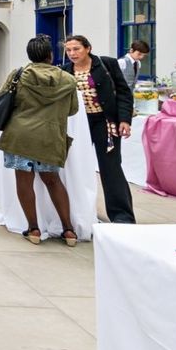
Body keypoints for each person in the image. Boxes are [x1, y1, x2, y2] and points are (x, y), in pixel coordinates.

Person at [0, 35, 81, 246]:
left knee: (24, 180)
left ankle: (33, 229)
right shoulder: (68, 80)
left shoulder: (19, 75)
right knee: (53, 180)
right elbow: (73, 110)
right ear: (50, 55)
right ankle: (68, 230)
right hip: (51, 137)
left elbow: (3, 98)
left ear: (30, 56)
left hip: (21, 135)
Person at [62, 35, 136, 224]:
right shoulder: (65, 71)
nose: (72, 53)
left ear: (88, 48)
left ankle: (122, 216)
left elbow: (124, 93)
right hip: (80, 125)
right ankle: (80, 212)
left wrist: (125, 120)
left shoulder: (106, 65)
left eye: (76, 49)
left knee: (110, 168)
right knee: (77, 166)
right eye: (69, 50)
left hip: (105, 123)